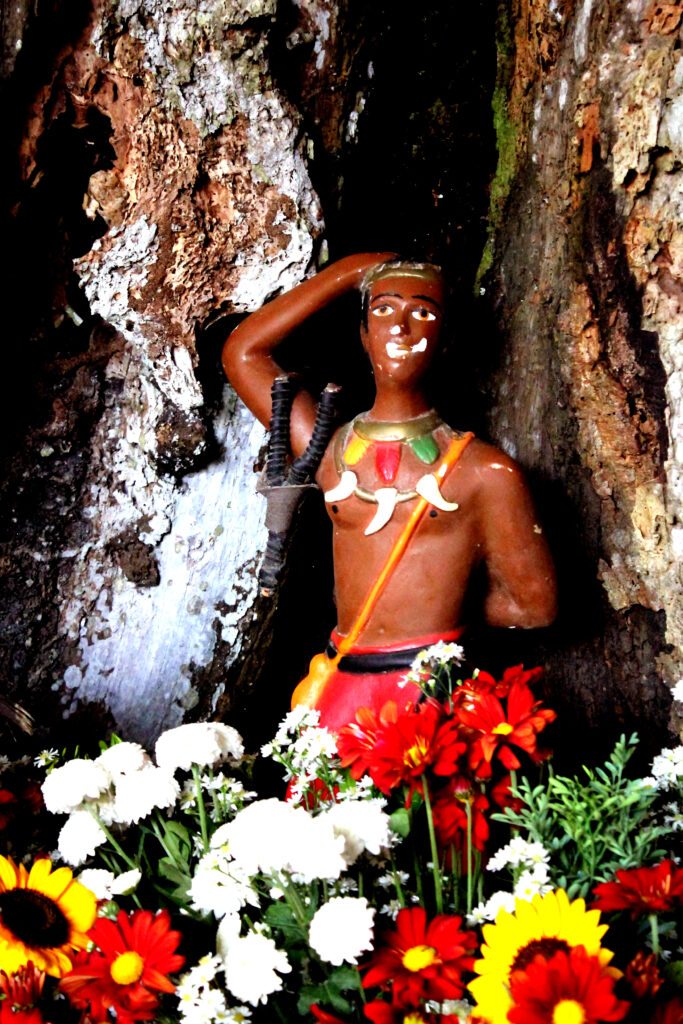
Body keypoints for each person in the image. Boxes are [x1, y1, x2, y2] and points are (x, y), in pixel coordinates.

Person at [222, 253, 557, 732]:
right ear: (362, 334)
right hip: (340, 682)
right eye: (383, 310)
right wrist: (351, 272)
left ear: (447, 339)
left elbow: (534, 606)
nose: (400, 327)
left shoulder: (483, 471)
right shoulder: (331, 449)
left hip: (432, 691)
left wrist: (439, 596)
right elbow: (243, 353)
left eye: (423, 313)